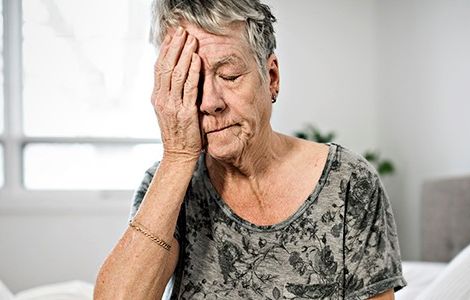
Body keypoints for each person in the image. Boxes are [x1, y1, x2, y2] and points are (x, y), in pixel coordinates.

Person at [94, 0, 407, 299]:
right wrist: (177, 158)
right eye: (191, 82)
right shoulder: (170, 185)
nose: (209, 102)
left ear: (271, 77)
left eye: (229, 76)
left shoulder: (349, 181)